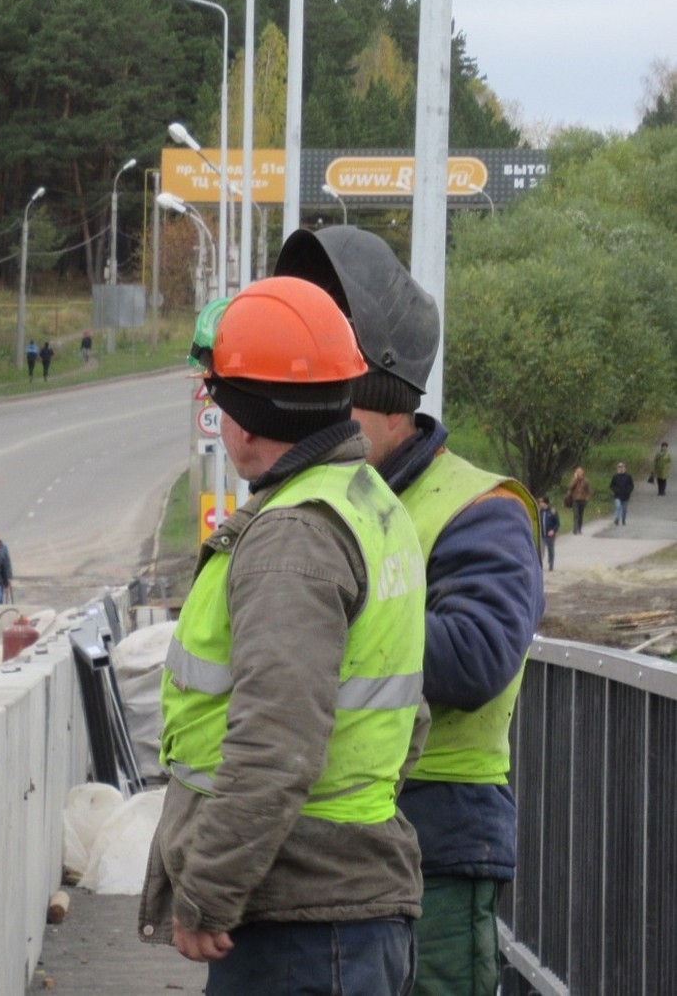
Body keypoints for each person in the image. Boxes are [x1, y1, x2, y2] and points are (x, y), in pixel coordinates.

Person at [139, 275, 427, 995]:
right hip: (344, 905)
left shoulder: (292, 535)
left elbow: (277, 740)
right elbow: (406, 720)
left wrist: (207, 888)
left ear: (243, 419)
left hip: (300, 921)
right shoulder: (369, 501)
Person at [278, 225, 544, 996]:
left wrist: (318, 622)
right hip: (330, 840)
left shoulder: (477, 506)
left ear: (384, 398)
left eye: (330, 391)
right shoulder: (320, 500)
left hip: (439, 838)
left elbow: (480, 654)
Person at [566, 466, 592, 534]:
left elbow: (588, 491)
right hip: (575, 499)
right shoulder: (574, 480)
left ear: (583, 472)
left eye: (580, 472)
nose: (579, 473)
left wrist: (587, 498)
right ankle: (575, 529)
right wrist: (575, 479)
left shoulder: (586, 481)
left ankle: (579, 529)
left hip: (582, 500)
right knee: (576, 515)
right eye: (577, 472)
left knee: (581, 515)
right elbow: (570, 487)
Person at [538, 497, 560, 572]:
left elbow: (557, 523)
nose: (540, 504)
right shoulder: (539, 512)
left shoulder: (552, 511)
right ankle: (539, 565)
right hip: (542, 535)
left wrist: (553, 531)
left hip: (550, 535)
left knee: (551, 550)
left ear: (545, 503)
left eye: (541, 502)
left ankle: (551, 564)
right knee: (541, 551)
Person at [611, 461, 635, 526]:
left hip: (625, 495)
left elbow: (631, 485)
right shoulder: (615, 476)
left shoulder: (628, 476)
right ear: (617, 468)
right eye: (619, 467)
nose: (621, 468)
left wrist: (628, 491)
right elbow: (612, 485)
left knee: (624, 509)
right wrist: (615, 490)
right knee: (618, 506)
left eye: (622, 467)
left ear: (625, 468)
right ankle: (617, 519)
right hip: (617, 495)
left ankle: (623, 519)